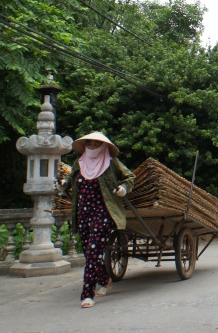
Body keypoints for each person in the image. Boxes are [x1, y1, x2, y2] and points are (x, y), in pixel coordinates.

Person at [65, 132, 134, 308]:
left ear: (104, 146)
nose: (93, 147)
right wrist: (63, 185)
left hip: (103, 212)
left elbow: (129, 177)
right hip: (82, 212)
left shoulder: (111, 163)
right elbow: (69, 179)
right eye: (90, 143)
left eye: (97, 144)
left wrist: (124, 188)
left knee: (93, 250)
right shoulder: (78, 163)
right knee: (89, 250)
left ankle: (87, 294)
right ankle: (104, 278)